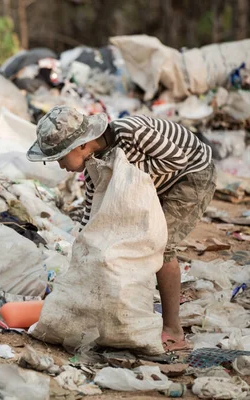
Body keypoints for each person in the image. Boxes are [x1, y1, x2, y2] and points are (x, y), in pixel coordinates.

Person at [27, 105, 215, 351]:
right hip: (158, 180)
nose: (61, 166)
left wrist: (132, 179)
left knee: (160, 246)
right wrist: (82, 251)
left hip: (191, 174)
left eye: (61, 158)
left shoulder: (130, 132)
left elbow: (176, 159)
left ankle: (173, 330)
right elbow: (94, 214)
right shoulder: (96, 164)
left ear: (81, 145)